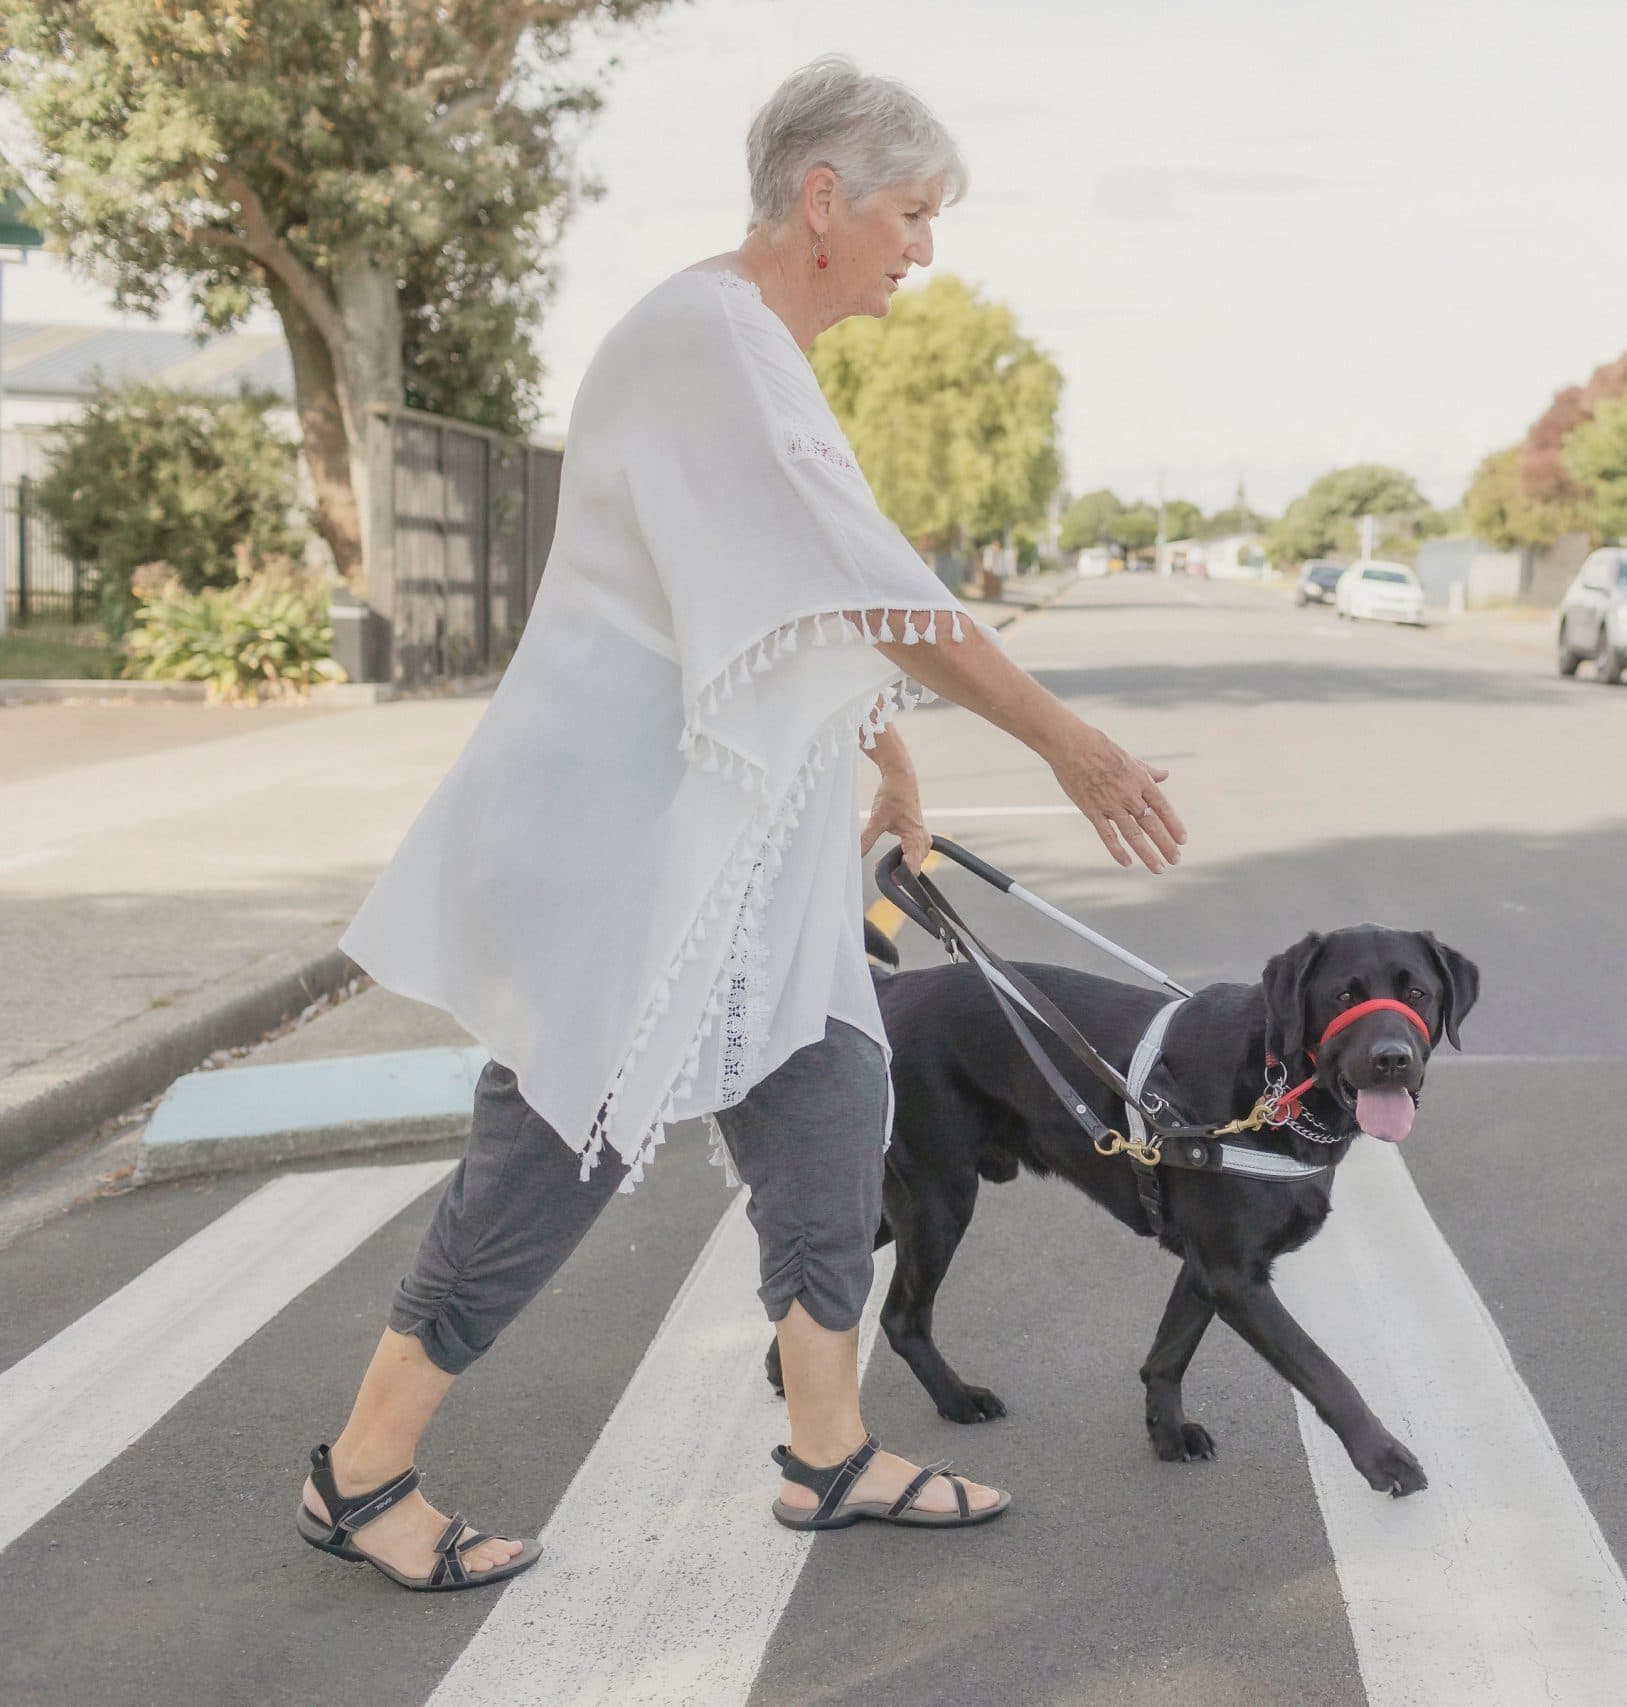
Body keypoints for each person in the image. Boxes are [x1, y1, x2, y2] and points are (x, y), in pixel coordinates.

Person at [292, 53, 1186, 1591]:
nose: (925, 250)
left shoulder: (747, 344)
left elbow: (795, 581)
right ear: (821, 198)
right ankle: (360, 1476)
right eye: (913, 213)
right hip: (639, 850)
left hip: (740, 857)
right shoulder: (712, 336)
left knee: (840, 1104)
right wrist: (1066, 744)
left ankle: (828, 1452)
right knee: (552, 1144)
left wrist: (888, 759)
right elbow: (862, 574)